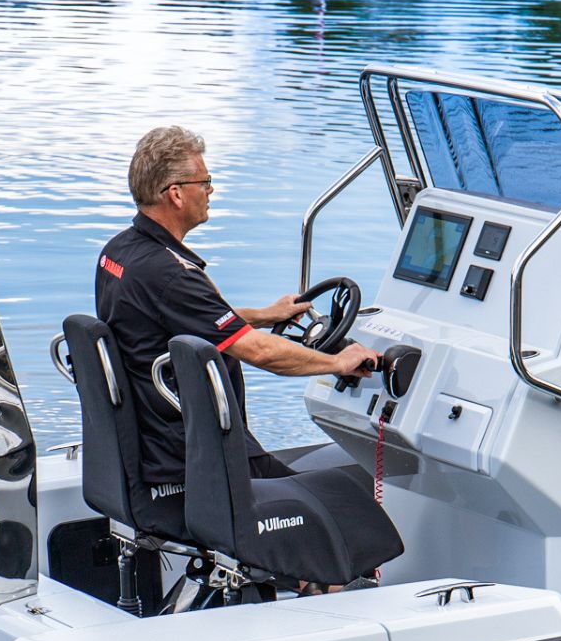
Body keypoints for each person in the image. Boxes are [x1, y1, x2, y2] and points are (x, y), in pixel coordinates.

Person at [96, 125, 380, 497]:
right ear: (177, 194)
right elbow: (260, 352)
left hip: (155, 445)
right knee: (349, 499)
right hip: (196, 457)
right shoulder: (170, 275)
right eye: (206, 180)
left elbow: (184, 321)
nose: (211, 190)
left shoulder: (117, 253)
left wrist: (265, 315)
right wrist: (339, 363)